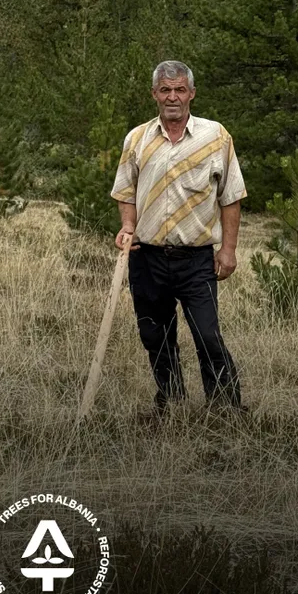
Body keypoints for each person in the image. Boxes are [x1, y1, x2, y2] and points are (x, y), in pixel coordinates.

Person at [110, 60, 248, 415]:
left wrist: (228, 250)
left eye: (180, 90)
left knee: (207, 334)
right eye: (165, 90)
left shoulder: (216, 136)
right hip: (147, 257)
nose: (173, 97)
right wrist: (128, 225)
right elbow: (125, 191)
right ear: (154, 94)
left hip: (196, 259)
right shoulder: (137, 139)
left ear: (192, 94)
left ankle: (226, 407)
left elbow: (231, 197)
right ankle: (171, 400)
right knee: (154, 334)